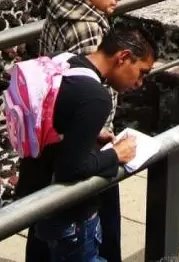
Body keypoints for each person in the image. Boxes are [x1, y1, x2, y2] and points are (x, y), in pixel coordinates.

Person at [17, 26, 157, 262]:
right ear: (123, 58)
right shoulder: (95, 96)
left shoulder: (62, 60)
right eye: (141, 72)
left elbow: (55, 120)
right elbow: (71, 169)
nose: (140, 83)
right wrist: (116, 154)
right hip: (71, 218)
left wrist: (88, 133)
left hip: (37, 198)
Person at [36, 0, 127, 262]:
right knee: (93, 216)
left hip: (51, 126)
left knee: (45, 219)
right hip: (84, 134)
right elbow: (94, 88)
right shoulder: (87, 30)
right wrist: (104, 132)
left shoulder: (62, 8)